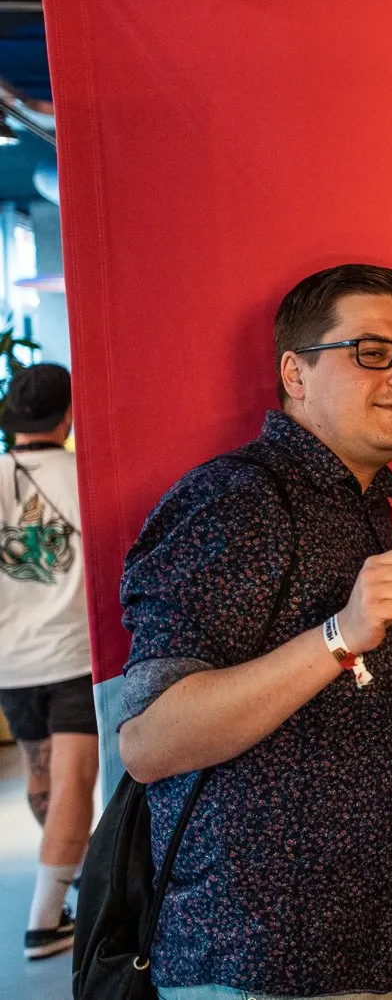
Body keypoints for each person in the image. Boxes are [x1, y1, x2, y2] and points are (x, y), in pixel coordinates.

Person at [117, 264, 392, 1000]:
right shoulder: (238, 498)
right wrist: (339, 635)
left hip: (371, 949)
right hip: (254, 967)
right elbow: (150, 743)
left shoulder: (367, 507)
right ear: (295, 373)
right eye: (372, 352)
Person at [0, 363, 96, 960]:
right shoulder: (83, 475)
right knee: (73, 784)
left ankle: (68, 880)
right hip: (72, 655)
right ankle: (43, 921)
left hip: (11, 662)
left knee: (42, 777)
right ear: (68, 415)